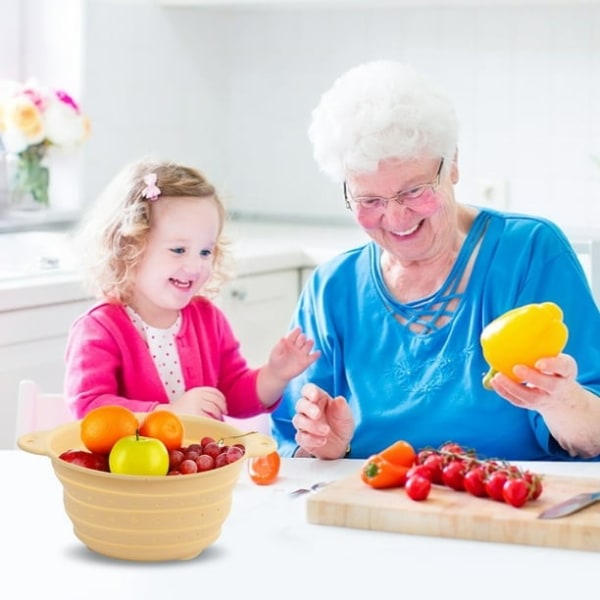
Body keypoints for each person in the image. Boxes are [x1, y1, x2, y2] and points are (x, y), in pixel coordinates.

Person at [270, 60, 600, 462]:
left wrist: (559, 401)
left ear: (453, 163)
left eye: (414, 191)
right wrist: (325, 447)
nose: (396, 218)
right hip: (374, 512)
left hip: (511, 511)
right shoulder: (331, 289)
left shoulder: (529, 252)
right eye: (370, 200)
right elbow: (291, 454)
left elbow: (591, 441)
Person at [64, 157, 319, 421]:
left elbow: (230, 395)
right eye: (178, 250)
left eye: (205, 251)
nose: (195, 265)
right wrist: (169, 413)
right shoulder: (100, 328)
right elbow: (89, 407)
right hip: (127, 464)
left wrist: (273, 376)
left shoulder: (208, 319)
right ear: (130, 246)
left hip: (200, 462)